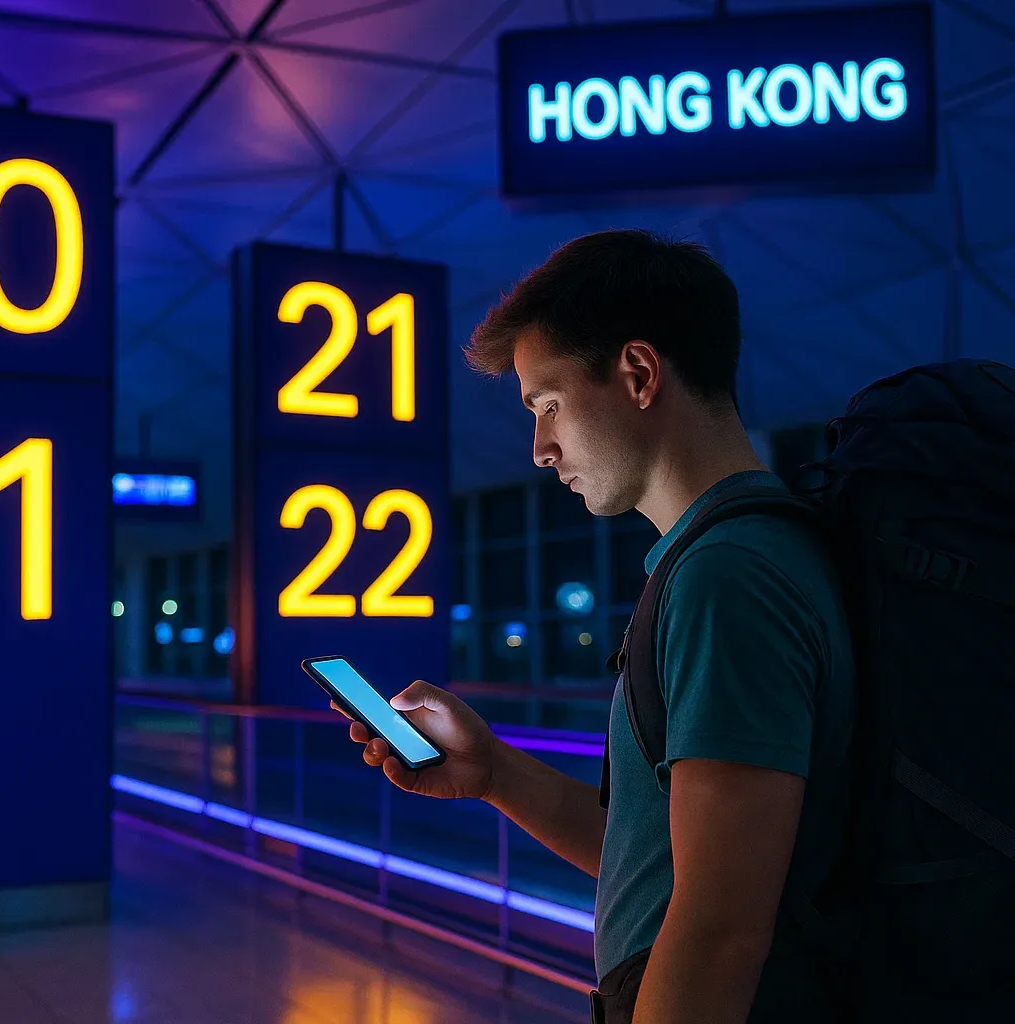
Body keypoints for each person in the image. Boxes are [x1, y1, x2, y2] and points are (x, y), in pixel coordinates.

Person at [334, 229, 856, 1023]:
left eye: (548, 404)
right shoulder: (733, 559)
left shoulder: (730, 576)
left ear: (639, 374)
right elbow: (666, 865)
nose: (541, 448)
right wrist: (496, 773)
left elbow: (719, 928)